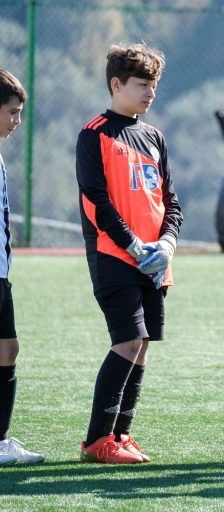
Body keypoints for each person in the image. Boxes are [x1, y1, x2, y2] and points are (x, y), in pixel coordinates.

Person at [76, 44, 182, 464]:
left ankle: (120, 435)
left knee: (142, 345)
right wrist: (134, 245)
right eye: (142, 84)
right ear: (116, 84)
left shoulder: (155, 137)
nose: (150, 93)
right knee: (128, 340)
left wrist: (166, 244)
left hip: (154, 263)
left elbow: (171, 202)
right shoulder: (94, 134)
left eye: (153, 85)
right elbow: (95, 201)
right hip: (114, 257)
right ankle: (97, 441)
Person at [0, 69, 44, 466]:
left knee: (8, 350)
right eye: (12, 111)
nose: (18, 120)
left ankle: (0, 440)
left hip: (1, 275)